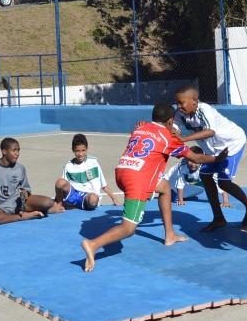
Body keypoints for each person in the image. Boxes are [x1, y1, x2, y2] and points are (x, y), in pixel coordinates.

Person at [80, 102, 227, 273]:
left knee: (164, 187)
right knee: (129, 229)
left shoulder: (140, 128)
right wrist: (217, 159)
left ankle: (169, 235)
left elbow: (145, 135)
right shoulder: (168, 138)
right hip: (138, 179)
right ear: (170, 121)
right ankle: (93, 244)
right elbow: (196, 158)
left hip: (122, 171)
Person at [174, 85, 247, 230]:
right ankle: (218, 218)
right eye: (177, 103)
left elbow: (210, 131)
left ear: (194, 101)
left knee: (224, 182)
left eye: (182, 103)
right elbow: (174, 127)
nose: (179, 106)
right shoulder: (180, 113)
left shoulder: (204, 110)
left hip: (231, 145)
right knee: (205, 176)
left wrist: (184, 139)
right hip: (212, 149)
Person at [0, 137, 58, 224]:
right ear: (4, 151)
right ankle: (22, 217)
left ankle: (23, 212)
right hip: (0, 208)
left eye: (18, 150)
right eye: (14, 150)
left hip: (18, 204)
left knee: (48, 202)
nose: (17, 154)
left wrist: (25, 193)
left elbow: (26, 188)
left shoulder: (20, 168)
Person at [53, 133, 120, 211]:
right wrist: (57, 200)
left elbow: (104, 185)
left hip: (89, 196)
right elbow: (61, 187)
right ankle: (59, 205)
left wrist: (114, 199)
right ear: (73, 150)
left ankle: (75, 205)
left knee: (93, 200)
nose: (80, 154)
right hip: (74, 195)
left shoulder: (94, 163)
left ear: (87, 149)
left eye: (83, 150)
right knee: (60, 182)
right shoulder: (68, 166)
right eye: (77, 151)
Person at [165, 147, 232, 207]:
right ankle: (173, 192)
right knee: (168, 195)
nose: (193, 164)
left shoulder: (206, 169)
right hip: (171, 180)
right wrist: (180, 200)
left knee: (201, 186)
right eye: (191, 161)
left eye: (196, 162)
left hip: (192, 186)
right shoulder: (182, 167)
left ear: (201, 161)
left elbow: (219, 183)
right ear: (186, 159)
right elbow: (180, 184)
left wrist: (225, 201)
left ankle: (185, 195)